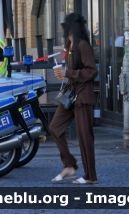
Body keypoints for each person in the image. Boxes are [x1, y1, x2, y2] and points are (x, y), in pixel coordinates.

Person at [50, 13, 99, 185]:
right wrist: (65, 73)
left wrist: (68, 73)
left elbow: (92, 71)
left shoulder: (82, 45)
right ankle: (69, 165)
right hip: (70, 96)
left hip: (82, 98)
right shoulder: (71, 45)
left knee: (85, 137)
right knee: (55, 127)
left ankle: (90, 176)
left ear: (71, 27)